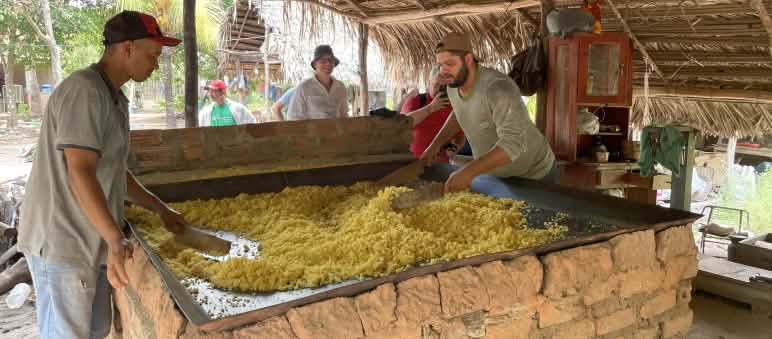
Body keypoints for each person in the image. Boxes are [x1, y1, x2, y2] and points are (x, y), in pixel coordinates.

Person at [17, 11, 189, 339]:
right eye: (151, 55)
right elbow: (80, 172)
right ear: (126, 48)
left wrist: (160, 209)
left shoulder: (115, 99)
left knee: (96, 329)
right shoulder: (85, 90)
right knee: (68, 334)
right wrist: (114, 237)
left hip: (88, 237)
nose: (155, 65)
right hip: (62, 241)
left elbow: (113, 173)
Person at [421, 32, 557, 193]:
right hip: (499, 174)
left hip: (534, 173)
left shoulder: (498, 88)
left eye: (450, 64)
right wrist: (435, 145)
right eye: (440, 65)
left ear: (468, 59)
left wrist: (468, 172)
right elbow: (460, 113)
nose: (443, 71)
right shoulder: (454, 84)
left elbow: (513, 143)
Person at [400, 66, 464, 163]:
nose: (441, 89)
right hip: (411, 163)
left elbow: (460, 135)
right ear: (429, 83)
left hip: (439, 164)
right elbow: (401, 124)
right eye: (437, 85)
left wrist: (455, 147)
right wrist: (430, 108)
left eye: (445, 86)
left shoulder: (454, 107)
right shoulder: (416, 101)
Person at [286, 45, 348, 120]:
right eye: (323, 61)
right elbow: (293, 117)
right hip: (312, 131)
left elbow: (344, 115)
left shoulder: (340, 87)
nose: (328, 63)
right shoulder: (304, 88)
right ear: (315, 65)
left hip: (336, 131)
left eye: (330, 60)